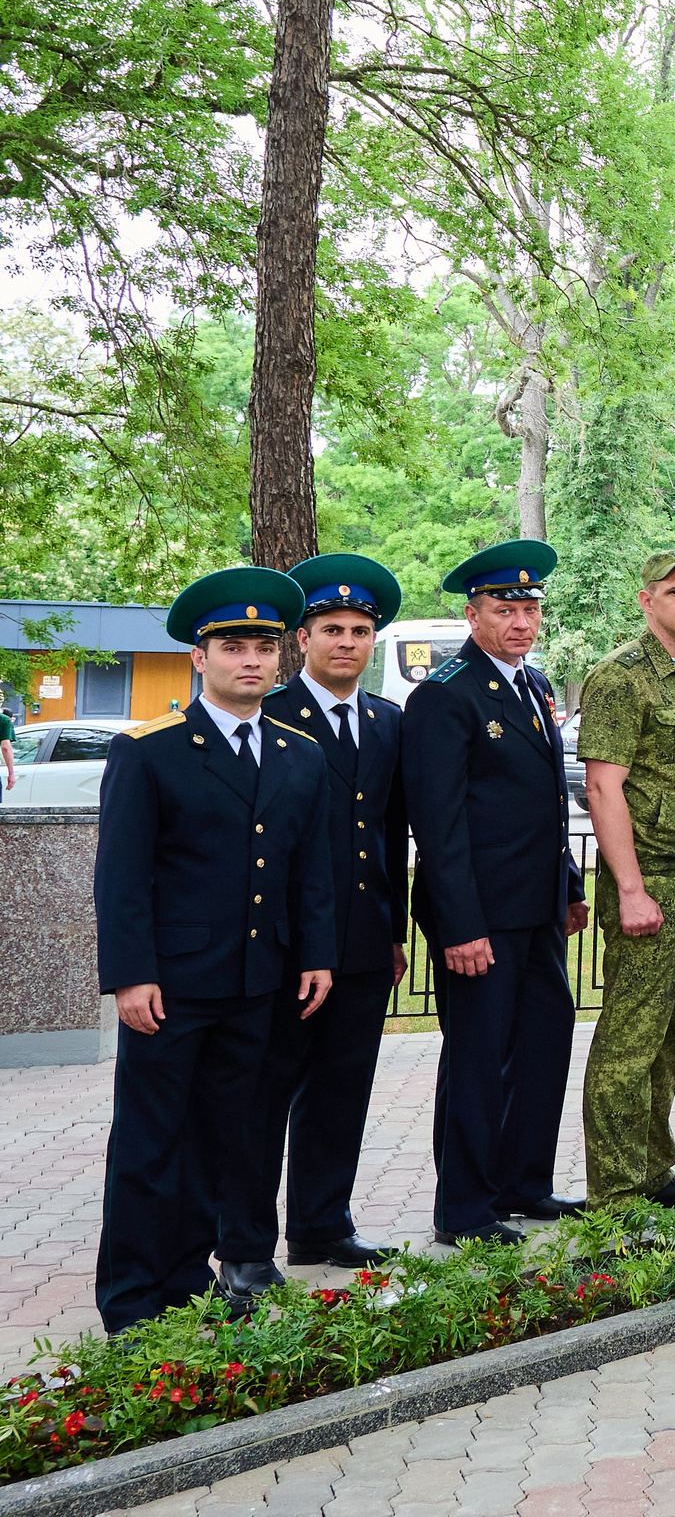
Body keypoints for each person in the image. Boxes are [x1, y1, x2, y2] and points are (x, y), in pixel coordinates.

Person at [94, 568, 335, 1331]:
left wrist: (317, 953)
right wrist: (131, 975)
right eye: (233, 646)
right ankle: (133, 1300)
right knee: (149, 1142)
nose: (251, 661)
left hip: (258, 980)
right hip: (172, 984)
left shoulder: (300, 752)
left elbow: (311, 868)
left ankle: (189, 1282)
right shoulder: (151, 750)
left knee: (223, 1139)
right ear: (200, 658)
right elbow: (122, 876)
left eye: (264, 647)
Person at [219, 554, 410, 1284]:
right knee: (264, 1096)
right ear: (303, 638)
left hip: (361, 941)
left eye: (361, 630)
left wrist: (393, 930)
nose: (347, 642)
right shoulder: (269, 714)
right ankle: (243, 1245)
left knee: (342, 1089)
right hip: (287, 943)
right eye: (332, 628)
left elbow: (389, 832)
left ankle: (322, 1225)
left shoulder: (385, 721)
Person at [403, 539, 588, 1246]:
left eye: (529, 607)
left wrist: (569, 885)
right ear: (473, 613)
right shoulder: (445, 694)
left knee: (543, 1039)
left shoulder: (534, 685)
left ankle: (523, 1182)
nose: (520, 620)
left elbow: (544, 801)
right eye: (504, 608)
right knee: (478, 1057)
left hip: (534, 906)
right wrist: (459, 924)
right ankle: (465, 1208)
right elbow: (439, 823)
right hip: (478, 916)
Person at [577, 550, 675, 1213]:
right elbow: (603, 787)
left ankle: (653, 1170)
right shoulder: (620, 677)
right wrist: (630, 889)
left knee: (669, 1037)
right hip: (649, 880)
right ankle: (615, 1194)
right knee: (627, 1042)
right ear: (647, 600)